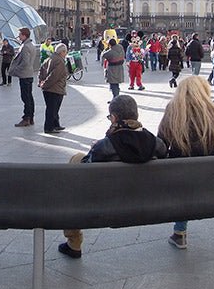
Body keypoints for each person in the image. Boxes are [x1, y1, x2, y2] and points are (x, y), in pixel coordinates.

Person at [58, 95, 167, 258]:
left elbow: (85, 172)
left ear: (114, 118)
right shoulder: (156, 144)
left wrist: (94, 148)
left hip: (105, 202)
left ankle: (74, 243)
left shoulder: (105, 146)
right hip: (146, 201)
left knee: (75, 161)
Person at [158, 76, 214, 249]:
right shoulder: (212, 111)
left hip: (179, 178)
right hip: (209, 178)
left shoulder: (173, 110)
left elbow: (160, 145)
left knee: (183, 181)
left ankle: (180, 232)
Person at [8, 27, 36, 127]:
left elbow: (25, 62)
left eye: (19, 35)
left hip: (24, 75)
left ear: (24, 35)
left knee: (25, 97)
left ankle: (26, 118)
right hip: (29, 74)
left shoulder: (25, 47)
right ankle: (31, 117)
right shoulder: (31, 45)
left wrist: (15, 70)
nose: (18, 37)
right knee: (29, 96)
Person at [38, 43, 68, 134]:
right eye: (65, 52)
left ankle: (55, 124)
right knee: (52, 109)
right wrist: (45, 84)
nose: (66, 53)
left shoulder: (50, 58)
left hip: (49, 89)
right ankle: (49, 127)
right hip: (54, 89)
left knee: (53, 108)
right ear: (62, 52)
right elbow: (54, 76)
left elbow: (41, 70)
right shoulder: (60, 61)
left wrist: (41, 82)